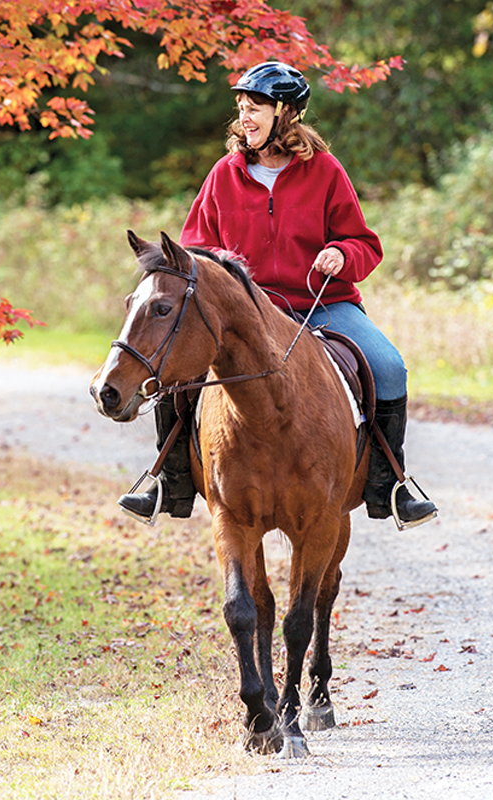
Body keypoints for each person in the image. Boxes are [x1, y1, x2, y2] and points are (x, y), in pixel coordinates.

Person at [118, 61, 437, 527]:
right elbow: (195, 250)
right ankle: (170, 480)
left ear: (285, 113)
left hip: (322, 307)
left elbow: (365, 244)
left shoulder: (325, 171)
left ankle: (389, 486)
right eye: (242, 108)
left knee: (388, 368)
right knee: (175, 371)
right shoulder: (224, 174)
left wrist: (342, 255)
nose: (245, 117)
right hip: (245, 314)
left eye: (256, 108)